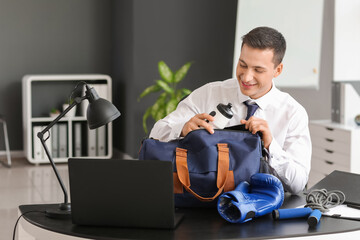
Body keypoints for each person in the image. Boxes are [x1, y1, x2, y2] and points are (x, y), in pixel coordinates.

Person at [149, 26, 311, 194]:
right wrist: (182, 129)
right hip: (202, 197)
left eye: (258, 70)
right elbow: (156, 132)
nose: (247, 77)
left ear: (278, 70)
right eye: (242, 65)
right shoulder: (209, 93)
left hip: (262, 205)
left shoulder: (293, 113)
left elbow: (298, 182)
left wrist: (271, 146)